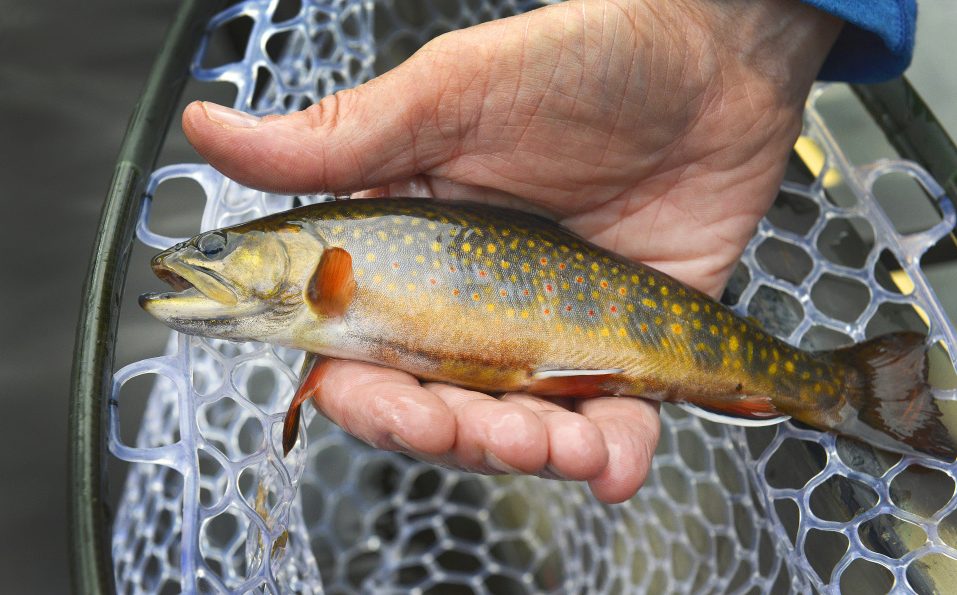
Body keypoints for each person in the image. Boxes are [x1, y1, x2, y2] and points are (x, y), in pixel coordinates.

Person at [181, 0, 916, 503]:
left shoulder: (329, 279)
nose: (196, 259)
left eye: (215, 249)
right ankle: (842, 388)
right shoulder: (320, 292)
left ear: (306, 261)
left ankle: (840, 387)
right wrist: (738, 32)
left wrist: (729, 35)